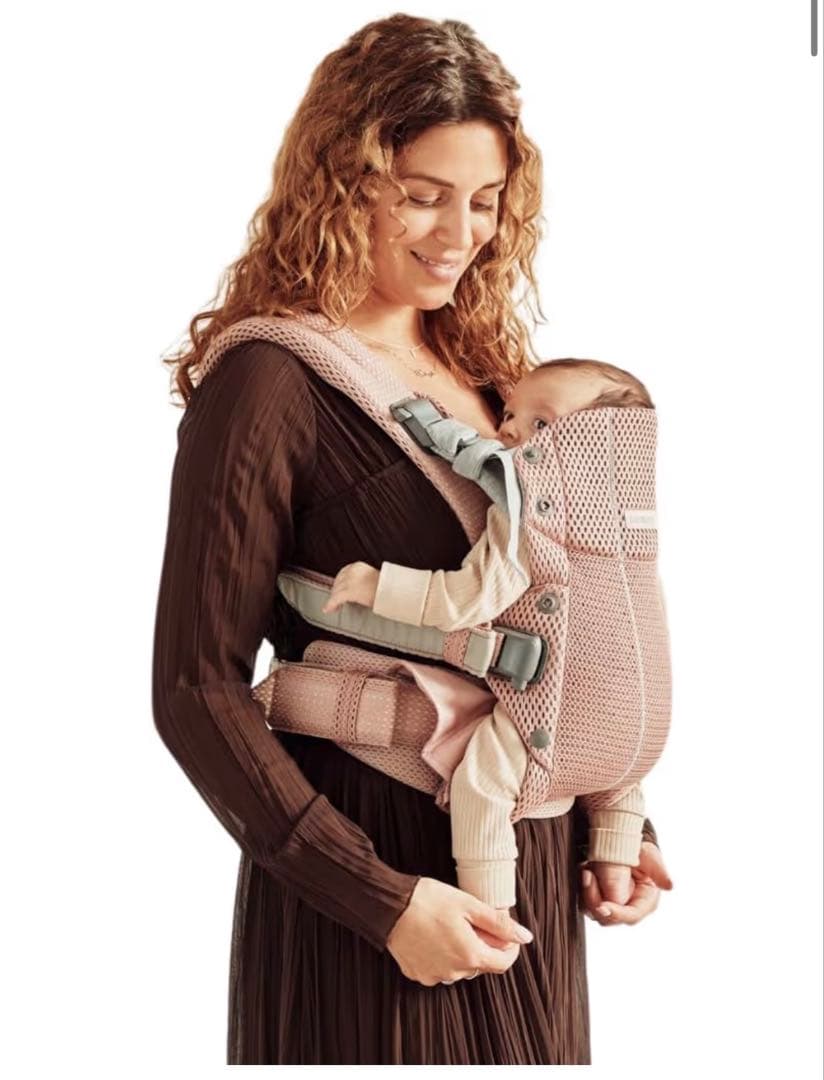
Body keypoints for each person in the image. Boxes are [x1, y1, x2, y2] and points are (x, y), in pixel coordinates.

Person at [151, 13, 673, 1065]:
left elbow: (572, 617)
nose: (458, 232)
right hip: (371, 880)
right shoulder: (268, 382)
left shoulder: (497, 380)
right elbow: (196, 689)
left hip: (525, 876)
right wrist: (378, 899)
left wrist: (616, 825)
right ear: (342, 184)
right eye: (422, 194)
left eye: (484, 200)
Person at [321, 356, 664, 915]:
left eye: (540, 424)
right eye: (508, 415)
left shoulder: (532, 511)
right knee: (618, 779)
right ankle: (615, 870)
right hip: (639, 725)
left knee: (481, 787)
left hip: (562, 712)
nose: (508, 432)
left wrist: (379, 586)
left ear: (591, 442)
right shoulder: (630, 523)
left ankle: (490, 909)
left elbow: (469, 598)